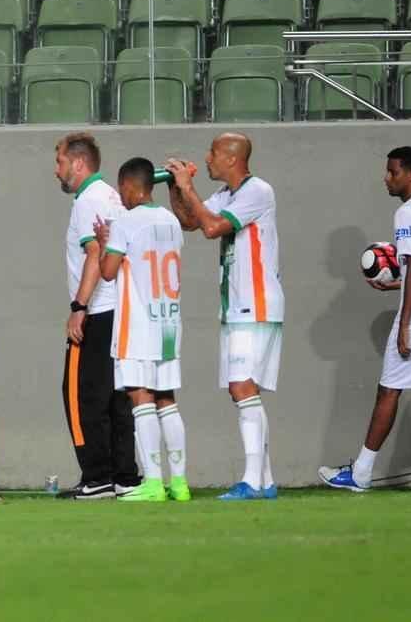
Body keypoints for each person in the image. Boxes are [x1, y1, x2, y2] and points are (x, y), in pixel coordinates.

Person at [165, 133, 283, 500]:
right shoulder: (228, 195)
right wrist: (177, 187)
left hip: (256, 302)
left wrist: (190, 187)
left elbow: (214, 227)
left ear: (232, 158)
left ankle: (252, 479)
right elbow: (191, 222)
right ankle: (264, 480)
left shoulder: (257, 191)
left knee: (241, 387)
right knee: (244, 391)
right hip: (236, 305)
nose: (208, 158)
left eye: (213, 153)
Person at [320, 147, 411, 492]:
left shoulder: (409, 213)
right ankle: (361, 471)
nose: (387, 178)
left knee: (388, 390)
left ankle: (361, 473)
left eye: (393, 172)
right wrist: (398, 281)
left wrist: (405, 324)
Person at [94, 158, 190, 503]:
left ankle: (152, 483)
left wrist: (105, 240)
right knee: (167, 399)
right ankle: (179, 483)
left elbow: (108, 271)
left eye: (121, 189)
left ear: (132, 186)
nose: (120, 196)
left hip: (137, 325)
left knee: (140, 398)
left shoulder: (126, 222)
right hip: (168, 320)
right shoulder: (172, 222)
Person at [54, 132, 141, 500]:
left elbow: (93, 253)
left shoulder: (87, 200)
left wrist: (79, 307)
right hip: (122, 311)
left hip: (99, 310)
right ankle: (124, 475)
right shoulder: (112, 196)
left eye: (59, 162)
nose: (56, 171)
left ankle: (96, 477)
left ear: (77, 163)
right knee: (117, 397)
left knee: (79, 394)